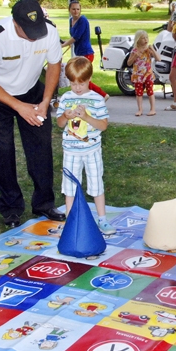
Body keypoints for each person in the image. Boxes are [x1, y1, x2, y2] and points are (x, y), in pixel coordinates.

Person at [0, 0, 67, 228]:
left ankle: (44, 203)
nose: (33, 36)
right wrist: (18, 106)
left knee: (40, 148)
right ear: (15, 22)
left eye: (36, 30)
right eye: (27, 31)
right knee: (3, 152)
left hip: (32, 93)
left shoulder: (49, 32)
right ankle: (11, 208)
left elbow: (54, 65)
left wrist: (46, 101)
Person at [55, 56, 115, 235]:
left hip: (92, 151)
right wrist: (65, 116)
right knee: (70, 187)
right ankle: (70, 220)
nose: (77, 88)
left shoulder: (96, 99)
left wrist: (86, 117)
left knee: (96, 184)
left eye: (81, 83)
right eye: (73, 83)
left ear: (89, 79)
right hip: (71, 151)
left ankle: (102, 220)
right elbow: (59, 124)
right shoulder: (66, 98)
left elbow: (103, 126)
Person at [60, 0, 107, 99]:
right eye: (73, 9)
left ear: (80, 10)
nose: (76, 11)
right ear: (69, 10)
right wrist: (63, 41)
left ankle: (103, 95)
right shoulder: (71, 20)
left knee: (81, 79)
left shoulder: (83, 20)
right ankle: (91, 97)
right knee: (81, 79)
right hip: (79, 53)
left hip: (86, 53)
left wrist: (64, 45)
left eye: (77, 9)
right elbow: (72, 37)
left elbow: (76, 37)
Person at [129, 30, 159, 116]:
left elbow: (158, 59)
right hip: (138, 75)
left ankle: (152, 109)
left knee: (150, 91)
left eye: (146, 37)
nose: (145, 40)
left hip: (148, 74)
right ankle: (140, 109)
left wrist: (153, 49)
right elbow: (129, 63)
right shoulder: (134, 50)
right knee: (139, 92)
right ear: (138, 39)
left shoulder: (148, 50)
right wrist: (134, 56)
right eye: (143, 38)